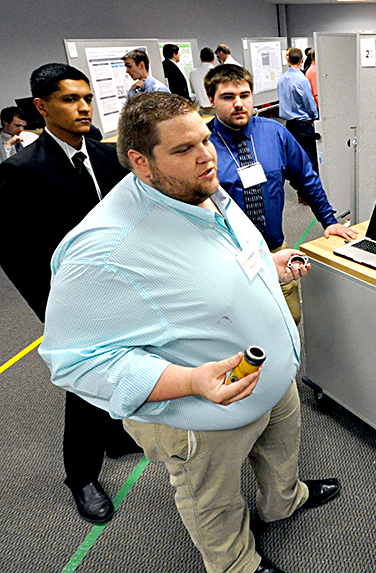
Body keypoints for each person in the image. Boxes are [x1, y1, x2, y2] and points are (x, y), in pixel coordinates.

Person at [39, 91, 340, 573]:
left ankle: (283, 502)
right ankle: (236, 564)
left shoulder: (201, 187)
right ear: (141, 161)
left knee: (282, 458)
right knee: (213, 501)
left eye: (205, 140)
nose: (206, 156)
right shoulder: (104, 250)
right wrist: (190, 382)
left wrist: (268, 265)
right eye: (183, 149)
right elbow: (74, 360)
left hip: (273, 378)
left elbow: (219, 262)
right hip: (203, 413)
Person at [0, 63, 135, 524]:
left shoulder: (103, 154)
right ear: (42, 107)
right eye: (69, 99)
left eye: (87, 98)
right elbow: (16, 251)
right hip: (71, 302)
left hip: (120, 288)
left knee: (126, 361)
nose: (83, 107)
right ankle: (80, 476)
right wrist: (53, 310)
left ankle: (116, 437)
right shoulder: (21, 171)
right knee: (83, 385)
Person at [204, 64, 356, 323]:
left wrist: (329, 221)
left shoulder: (274, 133)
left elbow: (306, 178)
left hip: (275, 250)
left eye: (244, 95)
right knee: (243, 331)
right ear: (211, 100)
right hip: (229, 260)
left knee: (290, 319)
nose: (239, 103)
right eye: (228, 97)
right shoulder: (204, 145)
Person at [278, 47, 320, 174]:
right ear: (302, 60)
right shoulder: (302, 80)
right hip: (304, 125)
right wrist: (315, 116)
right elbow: (309, 102)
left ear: (288, 60)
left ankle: (301, 191)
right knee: (311, 159)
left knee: (295, 158)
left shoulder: (282, 79)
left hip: (289, 125)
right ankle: (313, 190)